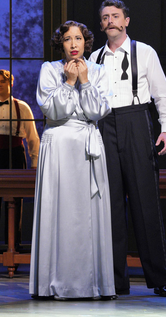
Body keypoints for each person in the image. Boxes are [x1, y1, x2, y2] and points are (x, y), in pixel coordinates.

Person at [89, 0, 166, 297]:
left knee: (145, 202)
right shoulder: (94, 57)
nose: (110, 21)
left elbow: (163, 96)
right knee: (110, 206)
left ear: (126, 21)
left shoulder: (145, 52)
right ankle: (115, 281)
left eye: (115, 16)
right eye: (105, 17)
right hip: (105, 126)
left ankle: (159, 278)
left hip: (137, 121)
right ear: (101, 25)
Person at [29, 21, 115, 300]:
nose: (74, 44)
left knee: (87, 215)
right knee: (58, 211)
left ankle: (94, 284)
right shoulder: (49, 69)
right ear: (61, 44)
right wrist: (69, 82)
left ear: (86, 42)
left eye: (78, 38)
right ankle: (53, 283)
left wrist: (86, 81)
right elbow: (53, 108)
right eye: (68, 39)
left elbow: (98, 111)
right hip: (59, 146)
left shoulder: (100, 71)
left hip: (87, 145)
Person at [0, 69, 40, 245]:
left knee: (14, 202)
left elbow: (33, 138)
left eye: (2, 82)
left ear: (10, 83)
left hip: (14, 156)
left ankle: (13, 246)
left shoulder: (23, 108)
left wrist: (34, 163)